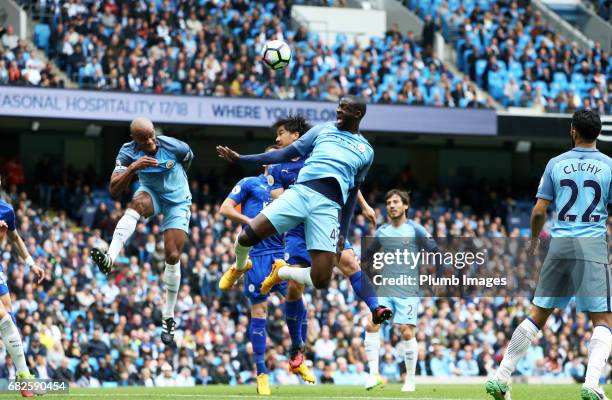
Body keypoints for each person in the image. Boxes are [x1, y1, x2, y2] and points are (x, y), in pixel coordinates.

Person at [486, 109, 612, 400]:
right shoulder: (609, 165)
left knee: (537, 315)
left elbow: (539, 211)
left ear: (572, 131)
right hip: (591, 245)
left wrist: (532, 242)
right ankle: (592, 384)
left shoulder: (556, 164)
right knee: (603, 321)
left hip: (559, 244)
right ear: (598, 133)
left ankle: (501, 375)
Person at [253, 116, 392, 378]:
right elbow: (276, 197)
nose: (277, 139)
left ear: (296, 136)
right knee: (295, 288)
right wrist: (301, 195)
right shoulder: (276, 166)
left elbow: (345, 178)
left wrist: (362, 205)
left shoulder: (320, 152)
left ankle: (376, 307)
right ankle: (296, 347)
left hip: (325, 218)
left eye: (281, 133)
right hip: (297, 227)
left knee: (350, 262)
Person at [215, 96, 375, 296]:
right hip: (300, 196)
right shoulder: (323, 130)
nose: (338, 110)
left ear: (357, 114)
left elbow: (352, 193)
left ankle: (282, 271)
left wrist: (343, 232)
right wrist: (242, 159)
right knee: (246, 237)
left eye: (344, 108)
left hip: (327, 208)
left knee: (322, 279)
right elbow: (282, 155)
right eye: (338, 106)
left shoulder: (366, 151)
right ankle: (240, 266)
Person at [90, 117, 194, 345]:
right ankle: (110, 257)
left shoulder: (175, 146)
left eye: (152, 135)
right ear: (133, 139)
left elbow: (187, 162)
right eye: (144, 139)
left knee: (172, 255)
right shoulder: (128, 152)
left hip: (178, 200)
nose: (150, 141)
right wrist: (133, 168)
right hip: (152, 194)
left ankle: (168, 316)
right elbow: (114, 189)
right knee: (135, 203)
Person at [219, 146, 314, 394]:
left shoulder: (290, 191)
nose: (279, 163)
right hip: (257, 255)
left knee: (297, 297)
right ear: (266, 163)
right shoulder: (250, 183)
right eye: (275, 159)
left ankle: (297, 357)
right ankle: (262, 373)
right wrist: (254, 224)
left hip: (282, 254)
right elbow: (225, 209)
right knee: (259, 311)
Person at [361, 189, 438, 392]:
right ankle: (374, 375)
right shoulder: (382, 232)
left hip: (408, 290)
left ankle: (410, 379)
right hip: (385, 288)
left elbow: (436, 252)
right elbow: (366, 257)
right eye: (388, 203)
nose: (392, 205)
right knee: (371, 325)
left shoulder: (416, 230)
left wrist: (435, 280)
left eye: (396, 202)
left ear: (405, 206)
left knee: (406, 332)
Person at [0, 176, 45, 398]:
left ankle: (22, 377)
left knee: (9, 317)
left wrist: (31, 263)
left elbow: (15, 238)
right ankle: (25, 378)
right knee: (5, 321)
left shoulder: (5, 210)